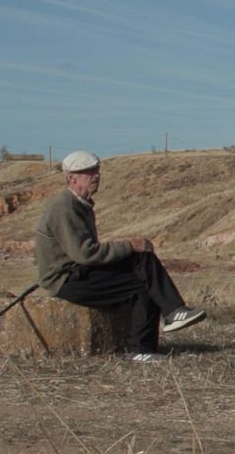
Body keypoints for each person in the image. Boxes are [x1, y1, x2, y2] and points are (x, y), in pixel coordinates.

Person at [34, 151, 206, 361]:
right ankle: (162, 325)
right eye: (88, 172)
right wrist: (130, 246)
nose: (96, 175)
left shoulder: (80, 205)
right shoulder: (64, 207)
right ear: (71, 177)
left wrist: (132, 248)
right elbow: (85, 253)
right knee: (141, 271)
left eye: (96, 170)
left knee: (144, 270)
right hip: (66, 278)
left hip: (79, 271)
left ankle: (154, 337)